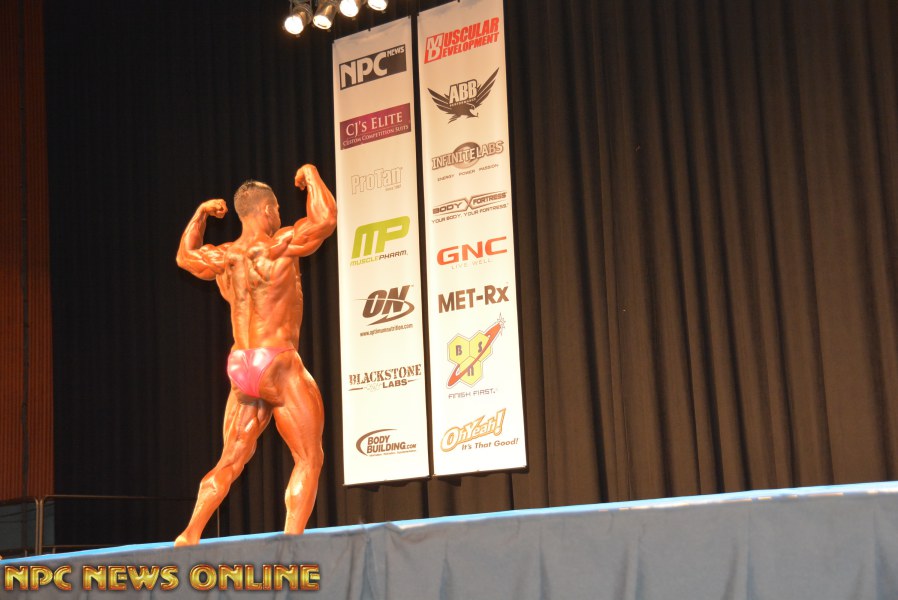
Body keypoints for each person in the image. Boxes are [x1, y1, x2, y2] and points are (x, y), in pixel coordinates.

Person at [173, 164, 336, 546]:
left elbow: (185, 256)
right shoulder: (279, 244)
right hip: (276, 359)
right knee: (309, 457)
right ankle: (292, 543)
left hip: (241, 365)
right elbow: (325, 219)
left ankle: (190, 533)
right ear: (266, 210)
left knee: (231, 459)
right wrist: (311, 174)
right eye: (276, 208)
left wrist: (199, 214)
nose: (279, 214)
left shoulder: (225, 256)